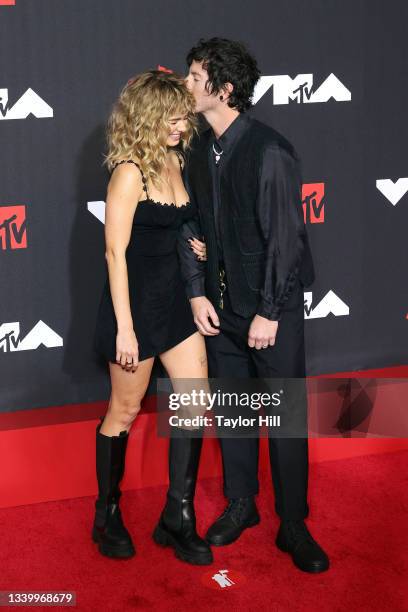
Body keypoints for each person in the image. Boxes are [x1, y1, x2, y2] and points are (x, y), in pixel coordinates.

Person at [182, 38, 330, 573]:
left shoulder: (269, 150)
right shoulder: (199, 148)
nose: (188, 83)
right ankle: (241, 503)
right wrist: (197, 289)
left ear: (224, 89)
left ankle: (293, 523)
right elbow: (193, 224)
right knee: (238, 412)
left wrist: (269, 311)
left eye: (197, 76)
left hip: (274, 308)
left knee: (285, 417)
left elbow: (286, 240)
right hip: (222, 309)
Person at [92, 70, 212, 565]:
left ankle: (177, 516)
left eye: (184, 116)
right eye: (173, 117)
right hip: (135, 311)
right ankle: (107, 513)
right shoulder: (128, 171)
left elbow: (178, 225)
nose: (182, 124)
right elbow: (114, 254)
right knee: (124, 412)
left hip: (175, 308)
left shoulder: (173, 158)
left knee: (194, 401)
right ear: (147, 117)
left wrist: (194, 250)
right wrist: (124, 327)